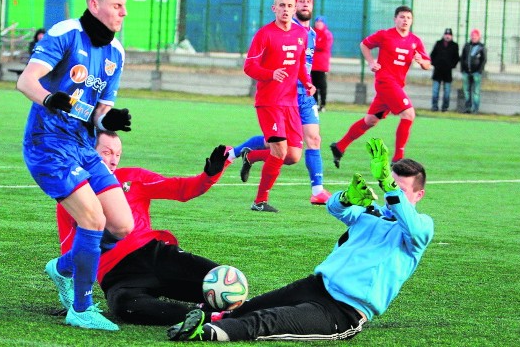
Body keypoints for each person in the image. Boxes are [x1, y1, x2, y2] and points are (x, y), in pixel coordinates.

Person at [167, 137, 433, 342]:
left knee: (266, 320)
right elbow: (336, 208)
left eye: (399, 188)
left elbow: (410, 225)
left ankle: (207, 333)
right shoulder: (373, 213)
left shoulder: (420, 226)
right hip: (316, 286)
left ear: (418, 195)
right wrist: (347, 197)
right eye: (390, 184)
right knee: (252, 306)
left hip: (344, 312)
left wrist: (388, 184)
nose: (390, 194)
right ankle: (206, 315)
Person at [16, 0, 133, 331]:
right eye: (117, 5)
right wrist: (53, 98)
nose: (123, 12)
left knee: (122, 225)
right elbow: (26, 81)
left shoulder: (116, 52)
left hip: (82, 147)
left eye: (124, 5)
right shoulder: (65, 33)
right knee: (93, 220)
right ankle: (81, 308)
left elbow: (96, 112)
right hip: (48, 145)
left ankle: (62, 267)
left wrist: (107, 118)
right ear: (94, 5)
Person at [56, 131, 235, 326]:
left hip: (156, 256)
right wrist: (75, 301)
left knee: (227, 282)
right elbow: (70, 252)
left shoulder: (131, 177)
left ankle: (243, 311)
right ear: (88, 152)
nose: (114, 160)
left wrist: (209, 175)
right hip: (117, 276)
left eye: (118, 154)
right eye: (107, 153)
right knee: (125, 306)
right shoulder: (72, 197)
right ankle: (206, 317)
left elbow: (180, 189)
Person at [233, 0, 331, 206]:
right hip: (270, 101)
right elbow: (249, 66)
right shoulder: (264, 34)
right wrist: (271, 73)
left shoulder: (302, 34)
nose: (286, 9)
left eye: (289, 6)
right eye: (282, 5)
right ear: (274, 9)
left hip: (293, 102)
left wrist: (308, 83)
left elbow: (299, 65)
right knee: (279, 149)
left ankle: (251, 156)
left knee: (293, 156)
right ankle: (260, 201)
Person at [329, 5, 431, 168]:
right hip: (385, 82)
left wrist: (421, 61)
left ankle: (340, 146)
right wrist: (371, 62)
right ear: (395, 19)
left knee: (370, 121)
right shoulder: (385, 35)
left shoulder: (415, 41)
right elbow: (364, 44)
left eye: (408, 18)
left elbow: (427, 65)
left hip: (396, 86)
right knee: (409, 114)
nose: (405, 20)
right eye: (402, 17)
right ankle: (398, 158)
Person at [429, 28, 459, 112]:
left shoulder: (454, 45)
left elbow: (456, 58)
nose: (447, 36)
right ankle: (434, 106)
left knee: (447, 92)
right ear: (444, 35)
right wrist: (434, 63)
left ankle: (445, 107)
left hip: (447, 72)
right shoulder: (438, 43)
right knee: (435, 91)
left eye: (449, 35)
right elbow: (432, 55)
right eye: (446, 34)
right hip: (437, 71)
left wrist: (452, 65)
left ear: (451, 36)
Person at [460, 28, 486, 114]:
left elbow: (483, 60)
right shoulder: (467, 46)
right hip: (466, 72)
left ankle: (475, 109)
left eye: (475, 36)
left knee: (476, 92)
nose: (473, 37)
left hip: (476, 73)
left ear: (479, 37)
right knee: (466, 91)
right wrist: (463, 69)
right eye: (472, 36)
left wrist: (479, 71)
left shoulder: (481, 47)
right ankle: (468, 108)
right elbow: (462, 57)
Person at [312, 15, 334, 112]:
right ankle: (315, 103)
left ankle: (323, 104)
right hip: (311, 64)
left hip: (321, 65)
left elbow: (324, 46)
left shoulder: (327, 34)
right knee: (313, 85)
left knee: (322, 85)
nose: (318, 23)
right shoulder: (311, 32)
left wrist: (314, 46)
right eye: (317, 21)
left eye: (320, 22)